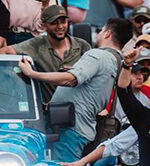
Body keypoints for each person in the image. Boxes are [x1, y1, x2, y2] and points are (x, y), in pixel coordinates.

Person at [18, 18, 132, 161]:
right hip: (77, 127)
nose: (99, 34)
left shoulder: (98, 56)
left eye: (101, 30)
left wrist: (31, 74)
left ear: (107, 33)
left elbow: (70, 79)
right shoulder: (117, 60)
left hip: (71, 129)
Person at [0, 5, 91, 102]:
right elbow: (5, 52)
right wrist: (11, 71)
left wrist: (31, 73)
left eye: (63, 22)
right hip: (51, 107)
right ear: (44, 25)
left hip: (80, 105)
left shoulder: (82, 46)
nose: (60, 27)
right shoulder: (37, 45)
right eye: (54, 23)